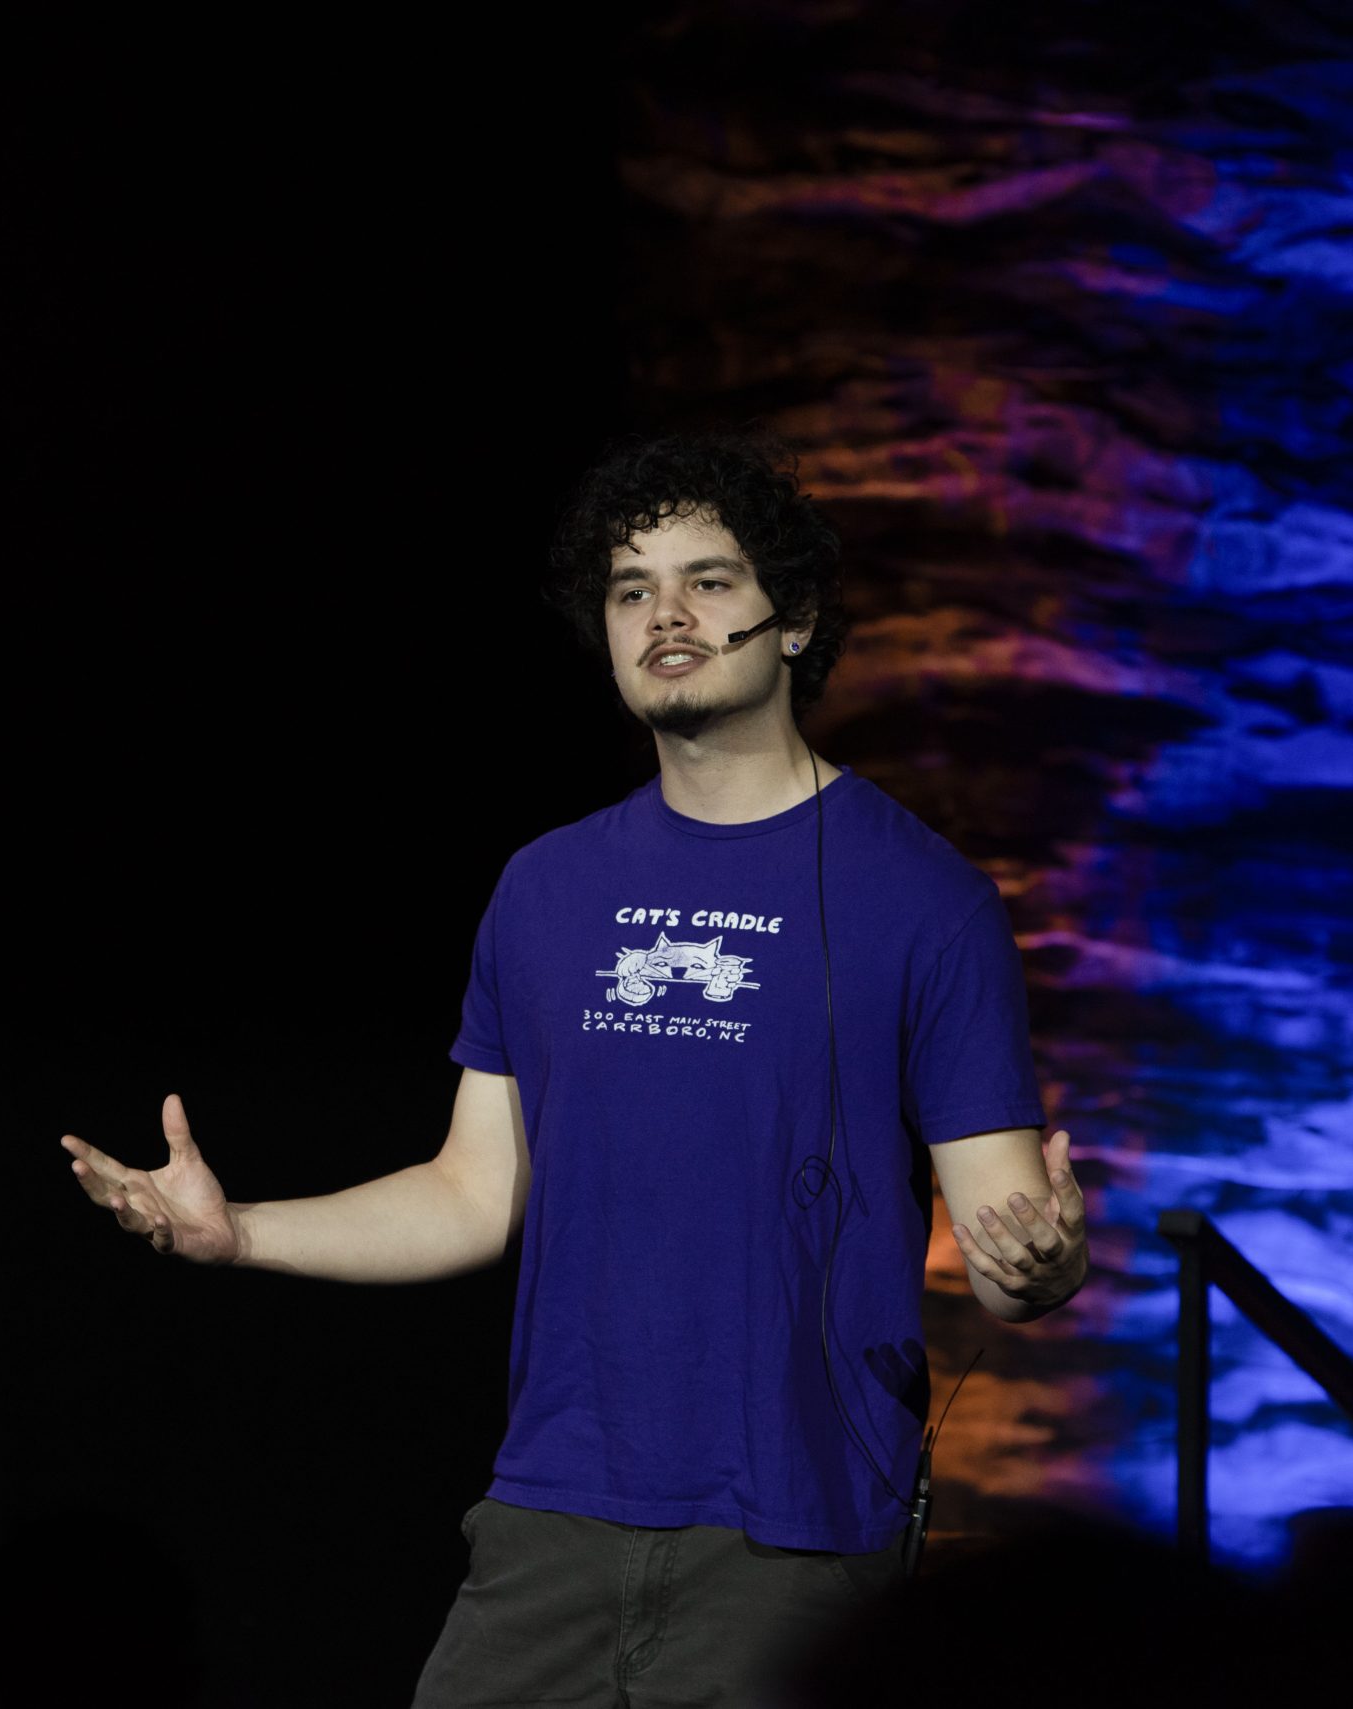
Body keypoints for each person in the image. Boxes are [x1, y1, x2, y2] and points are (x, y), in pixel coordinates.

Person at [59, 430, 1088, 1706]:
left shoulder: (924, 899)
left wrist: (1035, 1262)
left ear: (795, 618)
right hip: (548, 1517)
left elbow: (1008, 1247)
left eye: (707, 580)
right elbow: (470, 1193)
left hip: (793, 1538)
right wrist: (238, 1234)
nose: (664, 612)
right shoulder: (546, 889)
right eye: (628, 586)